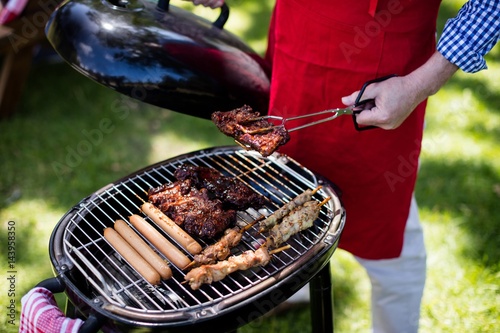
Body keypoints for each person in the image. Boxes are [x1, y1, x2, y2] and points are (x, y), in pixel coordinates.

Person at [188, 0, 499, 332]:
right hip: (299, 42)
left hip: (380, 67)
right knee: (287, 186)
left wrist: (421, 83)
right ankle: (296, 283)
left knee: (390, 243)